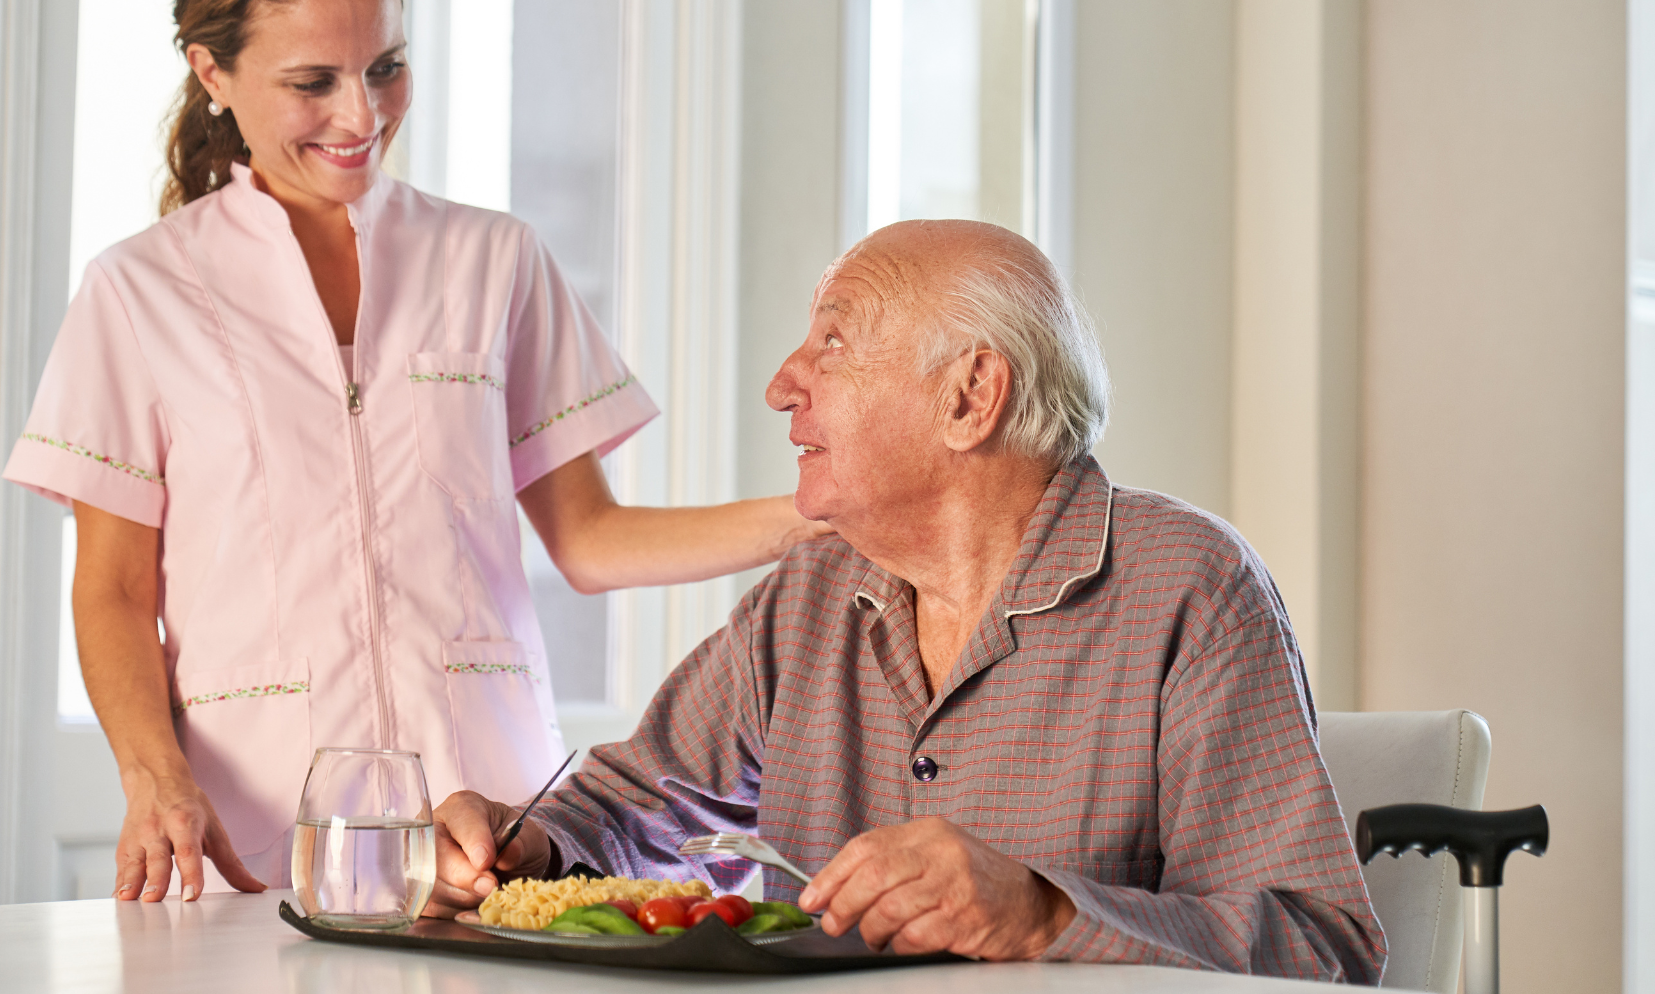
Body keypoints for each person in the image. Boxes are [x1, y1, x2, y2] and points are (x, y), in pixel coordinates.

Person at [3, 0, 821, 905]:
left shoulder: (492, 261)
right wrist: (154, 774)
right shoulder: (139, 295)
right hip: (262, 834)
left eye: (385, 66)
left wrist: (816, 519)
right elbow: (114, 595)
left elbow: (591, 540)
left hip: (497, 826)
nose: (362, 114)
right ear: (211, 73)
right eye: (313, 82)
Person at [429, 220, 1387, 981]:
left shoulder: (1190, 587)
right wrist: (529, 846)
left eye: (834, 343)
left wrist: (1045, 915)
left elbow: (1325, 947)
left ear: (972, 396)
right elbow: (633, 804)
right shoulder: (809, 594)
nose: (780, 385)